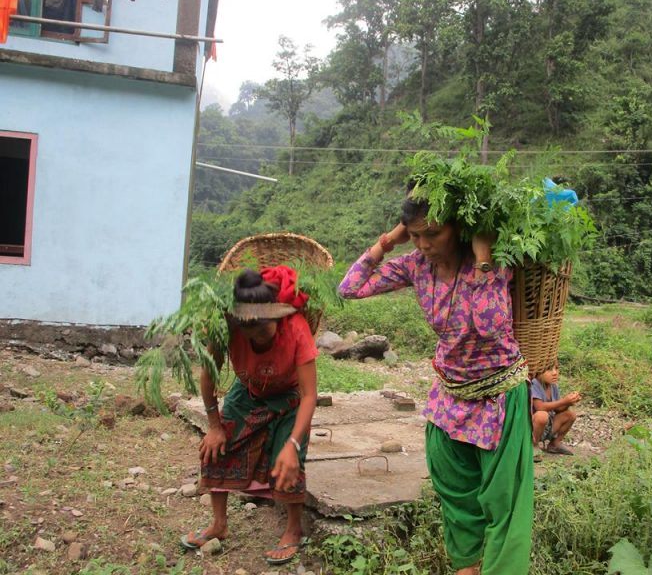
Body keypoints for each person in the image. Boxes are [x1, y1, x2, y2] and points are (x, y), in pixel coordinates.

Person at [338, 194, 534, 575]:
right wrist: (389, 241)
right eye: (416, 235)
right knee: (456, 494)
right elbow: (349, 287)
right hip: (451, 397)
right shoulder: (416, 265)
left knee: (503, 503)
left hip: (497, 396)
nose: (424, 244)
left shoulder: (489, 263)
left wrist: (483, 258)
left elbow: (492, 326)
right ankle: (467, 568)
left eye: (433, 233)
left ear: (458, 228)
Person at [180, 267, 318, 566]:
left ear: (275, 318)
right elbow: (209, 375)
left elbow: (309, 395)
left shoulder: (295, 328)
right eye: (249, 333)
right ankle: (219, 524)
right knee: (216, 448)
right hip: (248, 391)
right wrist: (214, 425)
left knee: (289, 459)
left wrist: (292, 445)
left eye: (263, 331)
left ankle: (293, 530)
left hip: (290, 397)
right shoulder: (227, 326)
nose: (256, 338)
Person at [530, 361, 580, 456]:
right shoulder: (534, 383)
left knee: (570, 415)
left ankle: (554, 444)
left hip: (548, 427)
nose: (555, 373)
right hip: (533, 428)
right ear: (538, 371)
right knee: (542, 415)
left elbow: (558, 409)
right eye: (549, 369)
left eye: (556, 368)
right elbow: (539, 406)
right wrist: (564, 401)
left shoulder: (553, 386)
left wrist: (569, 402)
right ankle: (533, 445)